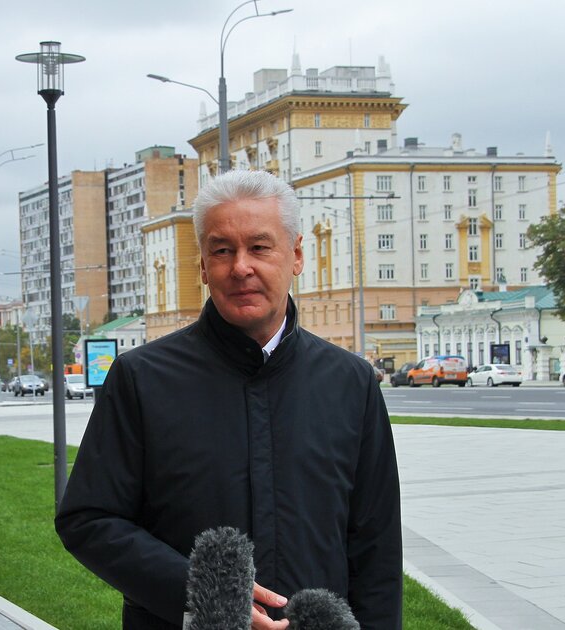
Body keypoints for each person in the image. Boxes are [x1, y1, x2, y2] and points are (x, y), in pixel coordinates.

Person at [55, 170, 402, 629]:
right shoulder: (142, 379)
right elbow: (88, 518)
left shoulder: (351, 382)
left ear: (296, 255)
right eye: (222, 251)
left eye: (259, 247)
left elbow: (376, 544)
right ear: (203, 266)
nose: (241, 267)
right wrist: (205, 597)